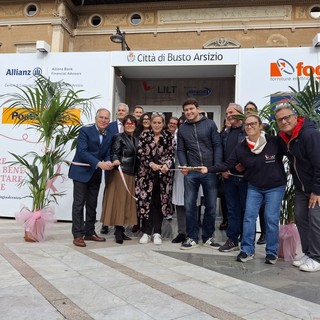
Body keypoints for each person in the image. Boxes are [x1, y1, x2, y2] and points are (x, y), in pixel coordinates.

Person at [201, 114, 287, 264]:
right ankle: (247, 250)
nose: (250, 127)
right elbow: (228, 164)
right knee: (249, 217)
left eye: (253, 123)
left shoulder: (273, 141)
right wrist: (208, 169)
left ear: (260, 125)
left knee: (270, 218)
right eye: (247, 124)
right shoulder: (241, 147)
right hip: (254, 186)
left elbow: (292, 154)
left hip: (275, 187)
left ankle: (271, 252)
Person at [275, 105, 320, 272]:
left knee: (315, 220)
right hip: (301, 188)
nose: (284, 121)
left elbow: (319, 163)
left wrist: (317, 191)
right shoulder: (284, 138)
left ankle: (317, 257)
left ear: (295, 117)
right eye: (280, 119)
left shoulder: (309, 135)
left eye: (287, 117)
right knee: (301, 219)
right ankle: (308, 254)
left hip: (316, 188)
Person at [177, 97, 222, 250]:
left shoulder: (210, 124)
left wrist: (215, 168)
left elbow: (217, 146)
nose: (189, 112)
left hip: (209, 171)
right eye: (186, 110)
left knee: (210, 206)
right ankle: (192, 237)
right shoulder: (182, 129)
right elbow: (181, 150)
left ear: (197, 108)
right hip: (192, 172)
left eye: (191, 109)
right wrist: (183, 164)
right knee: (189, 205)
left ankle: (208, 237)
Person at [69, 108, 114, 247]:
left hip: (95, 174)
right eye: (101, 117)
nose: (103, 120)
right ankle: (77, 235)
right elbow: (82, 151)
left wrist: (107, 161)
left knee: (92, 204)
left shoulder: (109, 134)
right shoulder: (85, 131)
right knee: (78, 205)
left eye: (106, 118)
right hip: (81, 173)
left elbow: (107, 153)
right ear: (96, 118)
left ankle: (89, 232)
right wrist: (98, 163)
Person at [136, 112, 175, 245]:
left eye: (159, 122)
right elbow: (140, 154)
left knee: (159, 203)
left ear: (163, 124)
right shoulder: (144, 135)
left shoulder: (169, 136)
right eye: (155, 122)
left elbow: (172, 154)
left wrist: (166, 165)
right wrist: (151, 164)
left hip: (163, 177)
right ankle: (146, 232)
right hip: (146, 176)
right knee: (147, 203)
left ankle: (157, 232)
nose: (157, 125)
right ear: (151, 123)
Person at [101, 115, 139, 244]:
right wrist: (115, 159)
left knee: (126, 203)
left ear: (135, 125)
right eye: (127, 123)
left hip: (132, 173)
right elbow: (114, 152)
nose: (129, 125)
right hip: (120, 173)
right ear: (123, 125)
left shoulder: (136, 139)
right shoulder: (118, 137)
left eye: (132, 123)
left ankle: (121, 229)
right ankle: (118, 231)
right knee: (119, 202)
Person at [218, 103, 247, 253]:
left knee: (246, 211)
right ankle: (232, 240)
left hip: (245, 178)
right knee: (232, 210)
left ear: (240, 113)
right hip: (229, 177)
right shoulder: (225, 133)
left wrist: (245, 164)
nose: (228, 115)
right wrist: (223, 170)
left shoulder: (247, 130)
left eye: (231, 112)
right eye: (227, 113)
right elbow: (222, 155)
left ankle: (247, 242)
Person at [100, 102, 129, 234]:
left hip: (127, 167)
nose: (121, 112)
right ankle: (105, 223)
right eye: (119, 110)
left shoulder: (131, 126)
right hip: (112, 166)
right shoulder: (109, 126)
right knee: (109, 194)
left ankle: (120, 224)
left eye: (123, 110)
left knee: (122, 196)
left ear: (127, 113)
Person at [244, 101, 266, 245]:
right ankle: (247, 243)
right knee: (249, 213)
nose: (249, 111)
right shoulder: (243, 131)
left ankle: (264, 234)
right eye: (247, 110)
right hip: (245, 177)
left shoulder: (266, 135)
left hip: (263, 178)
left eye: (252, 109)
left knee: (264, 211)